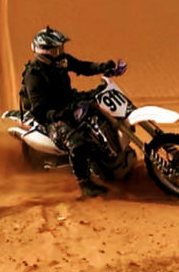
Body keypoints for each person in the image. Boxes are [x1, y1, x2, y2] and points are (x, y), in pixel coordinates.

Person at [13, 26, 126, 198]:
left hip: (69, 100)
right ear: (44, 51)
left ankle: (108, 153)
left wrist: (104, 67)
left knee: (98, 108)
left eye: (60, 48)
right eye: (55, 49)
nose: (60, 52)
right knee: (78, 142)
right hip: (52, 116)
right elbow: (39, 109)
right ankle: (85, 184)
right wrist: (57, 115)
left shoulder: (61, 61)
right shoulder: (34, 75)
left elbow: (83, 67)